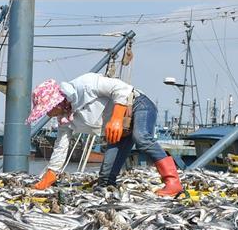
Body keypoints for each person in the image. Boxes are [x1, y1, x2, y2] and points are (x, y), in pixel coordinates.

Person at [27, 74, 183, 197]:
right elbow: (61, 145)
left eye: (47, 108)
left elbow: (123, 89)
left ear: (57, 101)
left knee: (141, 137)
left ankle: (173, 182)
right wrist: (52, 173)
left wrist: (116, 118)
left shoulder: (85, 84)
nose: (47, 113)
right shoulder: (64, 119)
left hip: (137, 105)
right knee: (105, 181)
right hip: (121, 130)